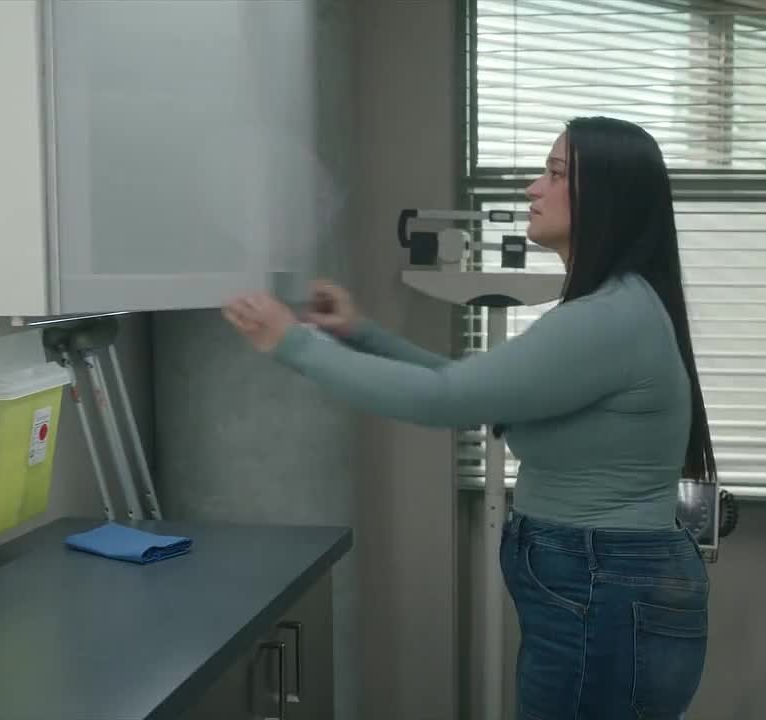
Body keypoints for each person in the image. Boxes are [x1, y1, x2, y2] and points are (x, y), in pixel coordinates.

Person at [224, 116, 712, 720]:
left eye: (556, 174)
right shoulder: (618, 307)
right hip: (601, 581)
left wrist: (291, 344)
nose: (533, 188)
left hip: (605, 583)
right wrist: (358, 333)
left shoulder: (610, 318)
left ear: (606, 196)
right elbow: (479, 392)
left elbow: (445, 399)